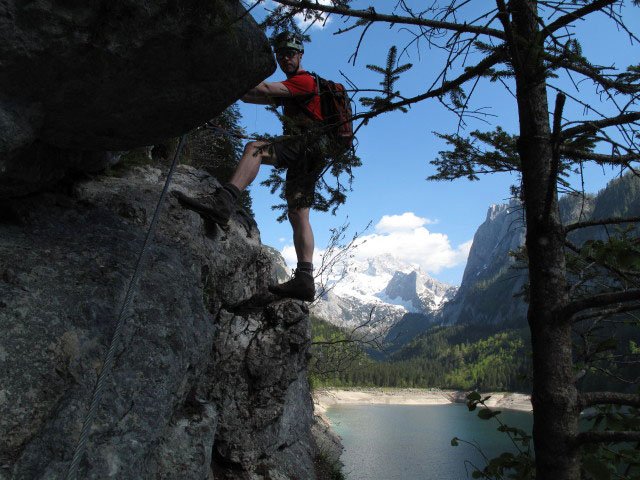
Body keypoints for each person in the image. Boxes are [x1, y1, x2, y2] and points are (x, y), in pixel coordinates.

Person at [173, 31, 326, 302]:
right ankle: (305, 278)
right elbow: (252, 97)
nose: (285, 58)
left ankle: (223, 202)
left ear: (301, 55)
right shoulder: (296, 88)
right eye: (281, 54)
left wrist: (224, 80)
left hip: (304, 144)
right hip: (313, 153)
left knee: (255, 148)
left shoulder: (304, 81)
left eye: (290, 53)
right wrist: (231, 88)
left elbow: (264, 90)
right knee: (298, 213)